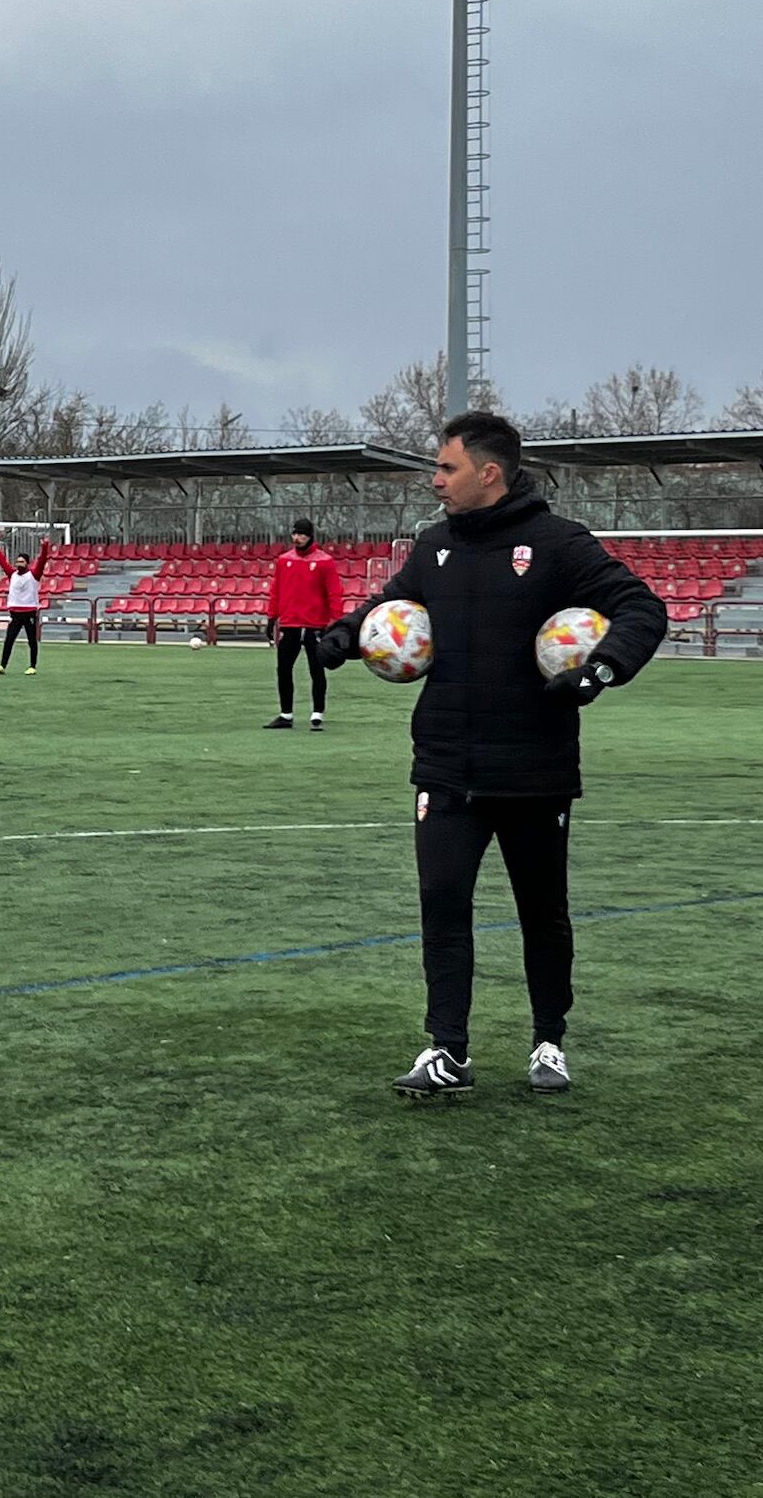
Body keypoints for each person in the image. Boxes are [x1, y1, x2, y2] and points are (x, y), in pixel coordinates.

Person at [320, 413, 666, 1099]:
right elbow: (390, 606)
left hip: (534, 769)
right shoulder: (434, 547)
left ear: (489, 472)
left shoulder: (558, 545)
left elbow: (641, 609)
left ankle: (548, 1041)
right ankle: (447, 1050)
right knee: (441, 905)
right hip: (446, 766)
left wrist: (599, 673)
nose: (436, 481)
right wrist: (345, 632)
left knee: (543, 910)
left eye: (446, 468)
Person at [264, 518, 343, 731]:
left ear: (310, 536)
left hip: (315, 625)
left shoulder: (324, 561)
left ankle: (317, 714)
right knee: (283, 670)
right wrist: (272, 617)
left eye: (302, 535)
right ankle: (285, 714)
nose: (297, 538)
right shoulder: (284, 560)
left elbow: (334, 593)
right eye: (295, 534)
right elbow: (276, 590)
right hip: (290, 624)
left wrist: (334, 622)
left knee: (316, 670)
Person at [0, 535, 52, 674]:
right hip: (15, 614)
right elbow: (2, 561)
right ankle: (2, 665)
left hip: (29, 612)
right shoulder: (12, 574)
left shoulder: (34, 575)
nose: (18, 563)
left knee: (32, 641)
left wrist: (44, 547)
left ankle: (32, 666)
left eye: (22, 561)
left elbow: (42, 561)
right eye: (17, 561)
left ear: (27, 563)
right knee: (9, 640)